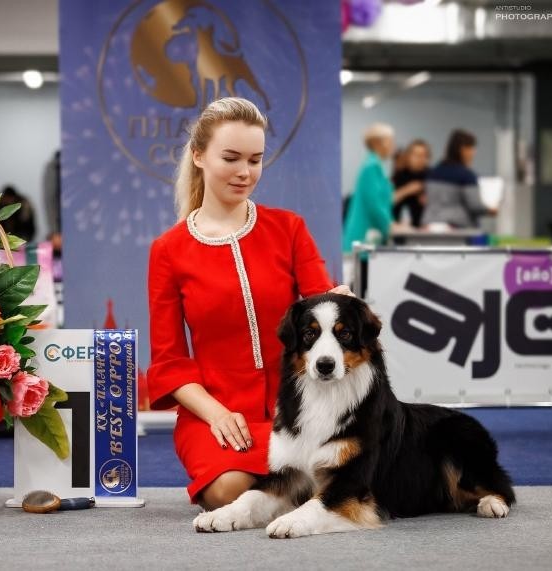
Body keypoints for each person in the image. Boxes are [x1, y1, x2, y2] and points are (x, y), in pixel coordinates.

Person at [147, 97, 348, 510]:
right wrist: (216, 414)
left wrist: (339, 304)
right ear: (198, 155)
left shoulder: (289, 228)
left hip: (298, 406)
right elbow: (168, 361)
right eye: (231, 158)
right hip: (214, 414)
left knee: (327, 474)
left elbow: (321, 308)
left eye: (255, 160)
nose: (245, 172)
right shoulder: (168, 250)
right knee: (227, 491)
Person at [342, 123, 416, 252]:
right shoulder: (371, 167)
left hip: (371, 237)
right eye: (391, 141)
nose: (393, 145)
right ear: (379, 143)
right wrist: (390, 226)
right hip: (363, 237)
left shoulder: (377, 167)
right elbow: (374, 204)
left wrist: (393, 223)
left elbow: (383, 203)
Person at [422, 129, 496, 229]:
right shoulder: (467, 176)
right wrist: (490, 210)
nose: (473, 153)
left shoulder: (432, 173)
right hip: (458, 229)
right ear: (463, 150)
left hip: (430, 226)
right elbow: (475, 206)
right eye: (471, 149)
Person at [392, 139, 431, 228]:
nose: (420, 158)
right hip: (400, 226)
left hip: (425, 227)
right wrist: (407, 190)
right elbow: (389, 200)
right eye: (416, 155)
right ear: (408, 156)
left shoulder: (431, 177)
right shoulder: (399, 176)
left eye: (424, 155)